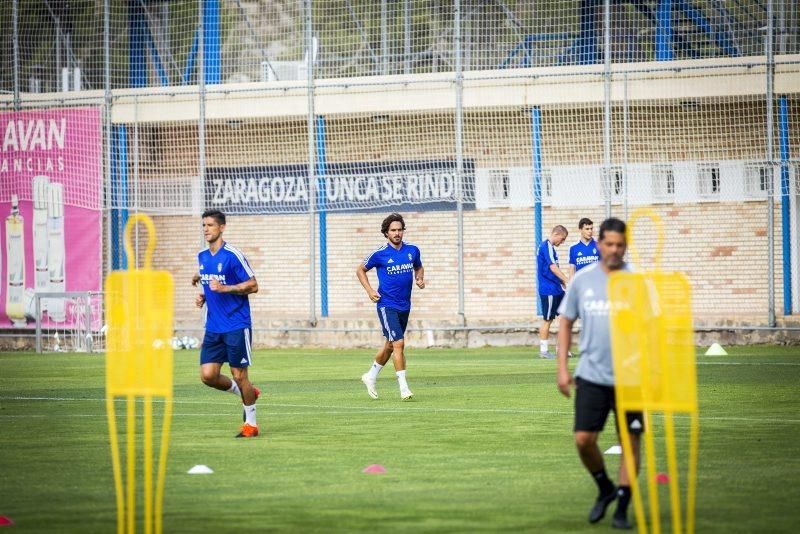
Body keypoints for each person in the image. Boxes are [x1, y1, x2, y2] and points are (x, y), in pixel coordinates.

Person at [556, 217, 642, 530]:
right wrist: (562, 368)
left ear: (625, 245)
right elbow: (565, 321)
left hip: (631, 378)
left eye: (620, 245)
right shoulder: (584, 279)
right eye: (609, 244)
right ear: (600, 244)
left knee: (630, 443)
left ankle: (622, 507)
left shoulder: (637, 281)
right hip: (591, 375)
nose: (615, 250)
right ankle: (604, 486)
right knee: (583, 439)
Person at [194, 209, 261, 438]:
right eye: (204, 225)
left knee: (240, 375)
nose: (206, 229)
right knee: (208, 376)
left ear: (222, 227)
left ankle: (251, 425)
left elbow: (253, 285)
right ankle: (247, 393)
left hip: (236, 324)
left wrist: (225, 289)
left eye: (210, 225)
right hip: (213, 326)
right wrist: (203, 296)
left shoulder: (233, 255)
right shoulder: (202, 257)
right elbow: (207, 282)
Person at [357, 213, 425, 401]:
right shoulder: (379, 254)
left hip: (405, 305)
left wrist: (419, 278)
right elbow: (360, 270)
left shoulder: (412, 250)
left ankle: (370, 376)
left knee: (389, 345)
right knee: (399, 343)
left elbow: (418, 267)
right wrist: (370, 291)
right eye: (393, 230)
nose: (397, 233)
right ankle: (404, 388)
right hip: (387, 305)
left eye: (399, 229)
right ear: (386, 233)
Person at [536, 225, 570, 358]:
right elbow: (552, 267)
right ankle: (544, 351)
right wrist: (567, 280)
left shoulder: (552, 249)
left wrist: (561, 282)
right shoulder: (546, 246)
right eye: (562, 239)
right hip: (548, 289)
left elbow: (555, 267)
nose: (562, 242)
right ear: (556, 235)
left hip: (557, 288)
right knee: (548, 319)